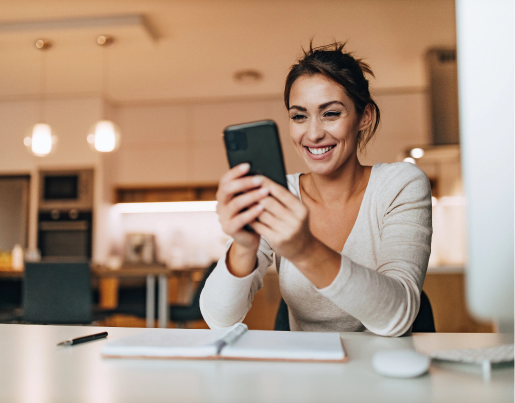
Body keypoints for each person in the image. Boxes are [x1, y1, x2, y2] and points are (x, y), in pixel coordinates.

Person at [200, 42, 432, 337]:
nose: (313, 133)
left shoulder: (400, 184)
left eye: (331, 113)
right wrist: (244, 245)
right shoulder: (278, 193)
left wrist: (304, 249)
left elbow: (397, 317)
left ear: (365, 117)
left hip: (385, 370)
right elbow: (219, 320)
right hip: (306, 373)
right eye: (299, 116)